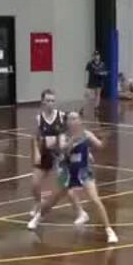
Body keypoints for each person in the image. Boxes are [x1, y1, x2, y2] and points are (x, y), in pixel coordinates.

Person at [27, 112, 118, 244]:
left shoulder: (86, 134)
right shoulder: (63, 136)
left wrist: (105, 138)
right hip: (67, 172)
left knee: (95, 199)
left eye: (76, 119)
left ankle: (109, 230)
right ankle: (38, 218)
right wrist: (72, 140)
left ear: (80, 121)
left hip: (83, 171)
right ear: (67, 122)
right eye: (70, 119)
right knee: (53, 199)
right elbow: (64, 150)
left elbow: (100, 146)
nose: (73, 121)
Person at [30, 90, 87, 225]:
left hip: (59, 156)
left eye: (52, 100)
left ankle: (81, 212)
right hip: (45, 155)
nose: (50, 103)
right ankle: (39, 204)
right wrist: (37, 151)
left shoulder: (61, 116)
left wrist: (59, 141)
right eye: (48, 100)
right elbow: (35, 137)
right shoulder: (39, 118)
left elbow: (71, 130)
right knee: (34, 184)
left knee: (65, 187)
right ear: (42, 101)